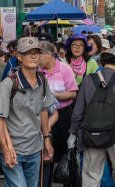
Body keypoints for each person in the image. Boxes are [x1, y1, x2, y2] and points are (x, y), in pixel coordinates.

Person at [68, 46, 115, 187]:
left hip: (91, 134)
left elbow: (79, 110)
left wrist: (73, 133)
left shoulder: (88, 79)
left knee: (91, 175)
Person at [0, 37, 54, 187]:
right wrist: (5, 150)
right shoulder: (8, 84)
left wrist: (47, 139)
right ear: (19, 57)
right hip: (14, 149)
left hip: (35, 148)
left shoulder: (43, 81)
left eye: (36, 52)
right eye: (28, 53)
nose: (33, 56)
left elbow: (44, 110)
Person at [38, 41, 78, 186]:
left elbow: (73, 93)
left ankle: (67, 181)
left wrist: (54, 96)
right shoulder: (37, 71)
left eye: (38, 54)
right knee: (46, 154)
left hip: (63, 115)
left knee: (65, 152)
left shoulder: (65, 69)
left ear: (48, 55)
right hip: (44, 116)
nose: (36, 58)